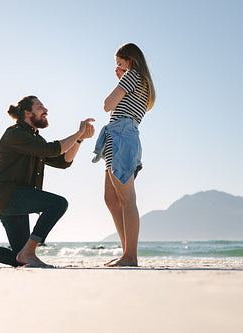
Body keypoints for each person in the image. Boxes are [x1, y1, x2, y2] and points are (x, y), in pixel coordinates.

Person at [0, 96, 95, 268]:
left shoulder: (35, 139)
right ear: (27, 113)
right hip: (8, 195)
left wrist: (79, 140)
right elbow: (52, 150)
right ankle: (29, 251)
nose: (45, 110)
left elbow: (63, 162)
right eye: (40, 107)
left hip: (13, 199)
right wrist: (78, 133)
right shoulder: (15, 134)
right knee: (58, 204)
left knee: (18, 258)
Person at [92, 43, 156, 267]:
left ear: (131, 60)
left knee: (127, 199)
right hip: (118, 137)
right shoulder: (140, 80)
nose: (118, 68)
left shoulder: (132, 76)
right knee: (111, 199)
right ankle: (126, 252)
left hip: (121, 135)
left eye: (120, 63)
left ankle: (130, 256)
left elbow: (107, 105)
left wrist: (121, 79)